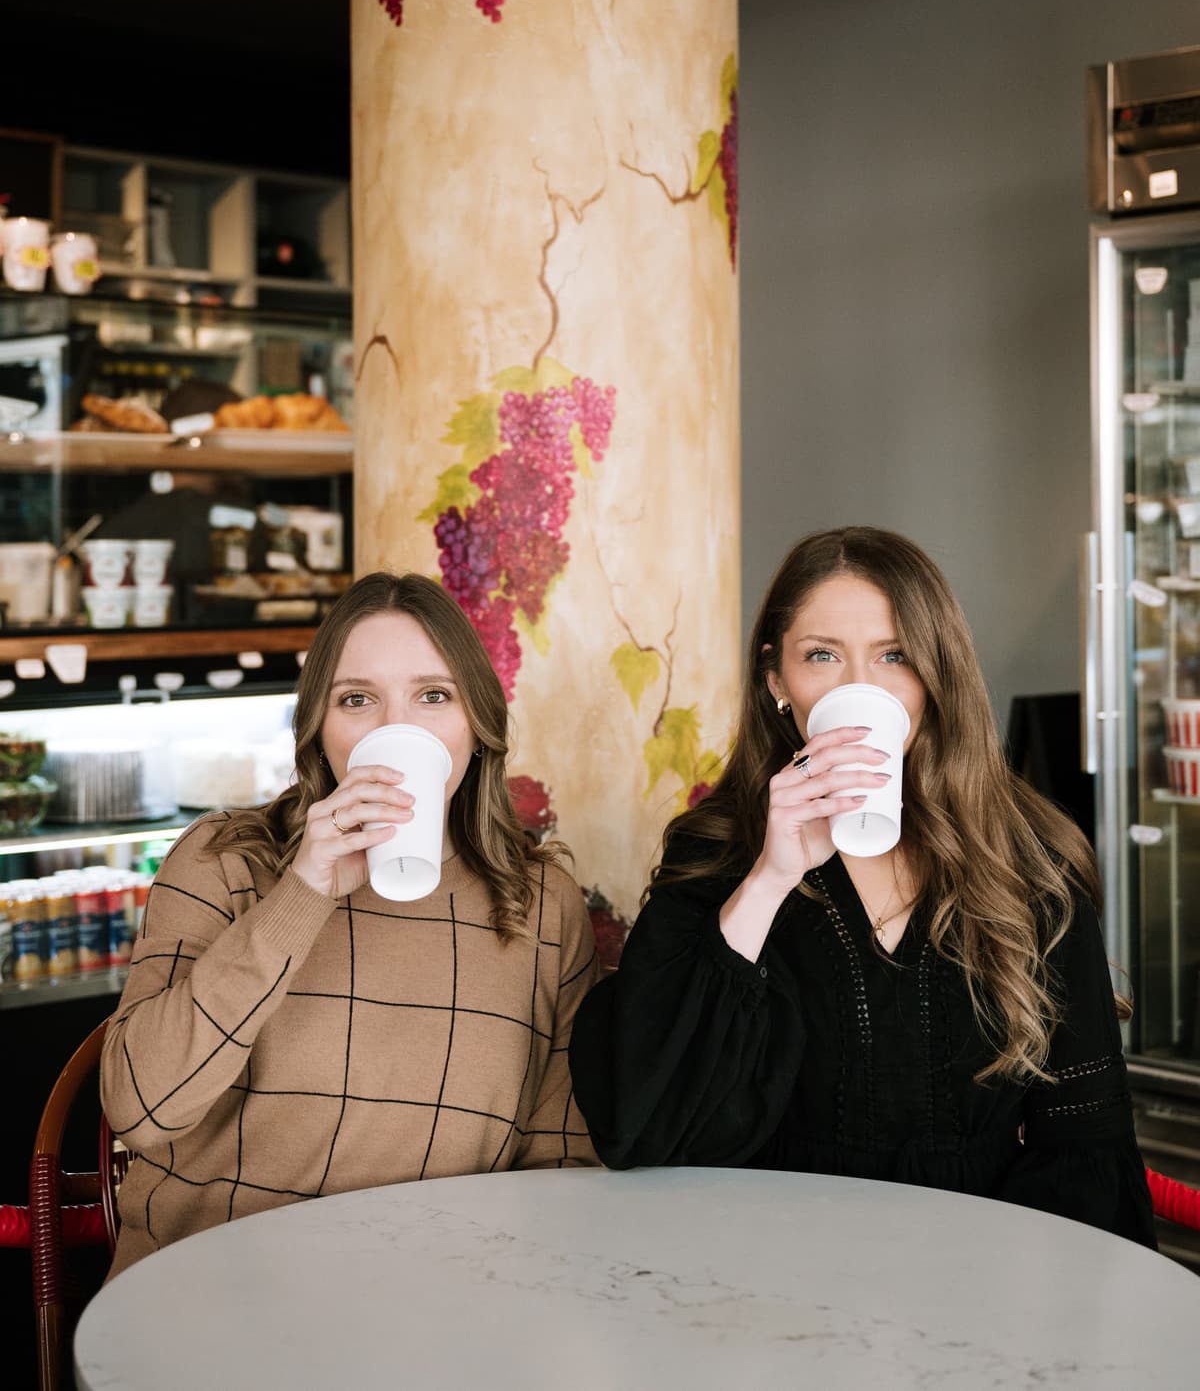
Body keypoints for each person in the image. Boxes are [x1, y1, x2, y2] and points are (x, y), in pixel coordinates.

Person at [568, 527, 1156, 1247]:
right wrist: (769, 878)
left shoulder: (1029, 861)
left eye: (894, 656)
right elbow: (644, 1127)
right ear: (777, 681)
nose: (859, 689)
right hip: (763, 1283)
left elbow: (1089, 1150)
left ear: (935, 677)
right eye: (822, 656)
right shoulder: (715, 854)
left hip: (978, 1283)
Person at [102, 571, 599, 1275]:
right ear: (320, 730)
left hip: (436, 1310)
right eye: (358, 700)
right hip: (212, 1300)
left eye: (434, 696)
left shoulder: (543, 904)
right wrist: (304, 890)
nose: (398, 730)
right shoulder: (226, 863)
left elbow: (560, 1163)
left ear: (477, 726)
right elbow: (142, 1109)